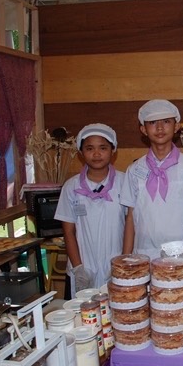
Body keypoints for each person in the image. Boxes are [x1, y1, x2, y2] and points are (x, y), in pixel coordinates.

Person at [121, 99, 183, 259]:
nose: (159, 128)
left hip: (182, 254)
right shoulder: (134, 170)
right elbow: (130, 217)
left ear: (176, 126)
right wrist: (126, 258)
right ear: (143, 129)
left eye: (166, 121)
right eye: (152, 122)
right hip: (144, 254)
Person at [55, 123, 126, 298]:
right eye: (89, 148)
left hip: (116, 266)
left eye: (103, 148)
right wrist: (78, 269)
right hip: (83, 266)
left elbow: (132, 226)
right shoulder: (71, 187)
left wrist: (123, 263)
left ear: (113, 150)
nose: (96, 154)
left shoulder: (124, 183)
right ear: (81, 152)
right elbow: (68, 231)